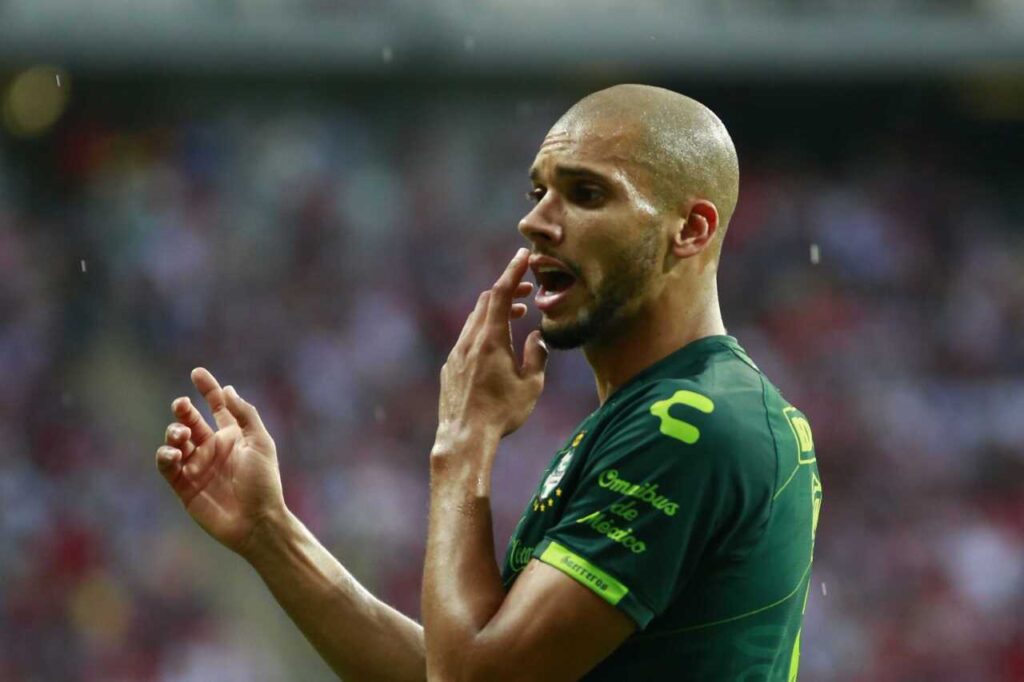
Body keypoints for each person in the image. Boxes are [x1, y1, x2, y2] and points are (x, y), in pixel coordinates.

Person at [155, 83, 822, 681]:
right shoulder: (656, 414)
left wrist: (465, 439)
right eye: (539, 193)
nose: (535, 222)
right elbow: (455, 668)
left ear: (691, 229)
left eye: (586, 194)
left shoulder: (692, 423)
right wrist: (271, 534)